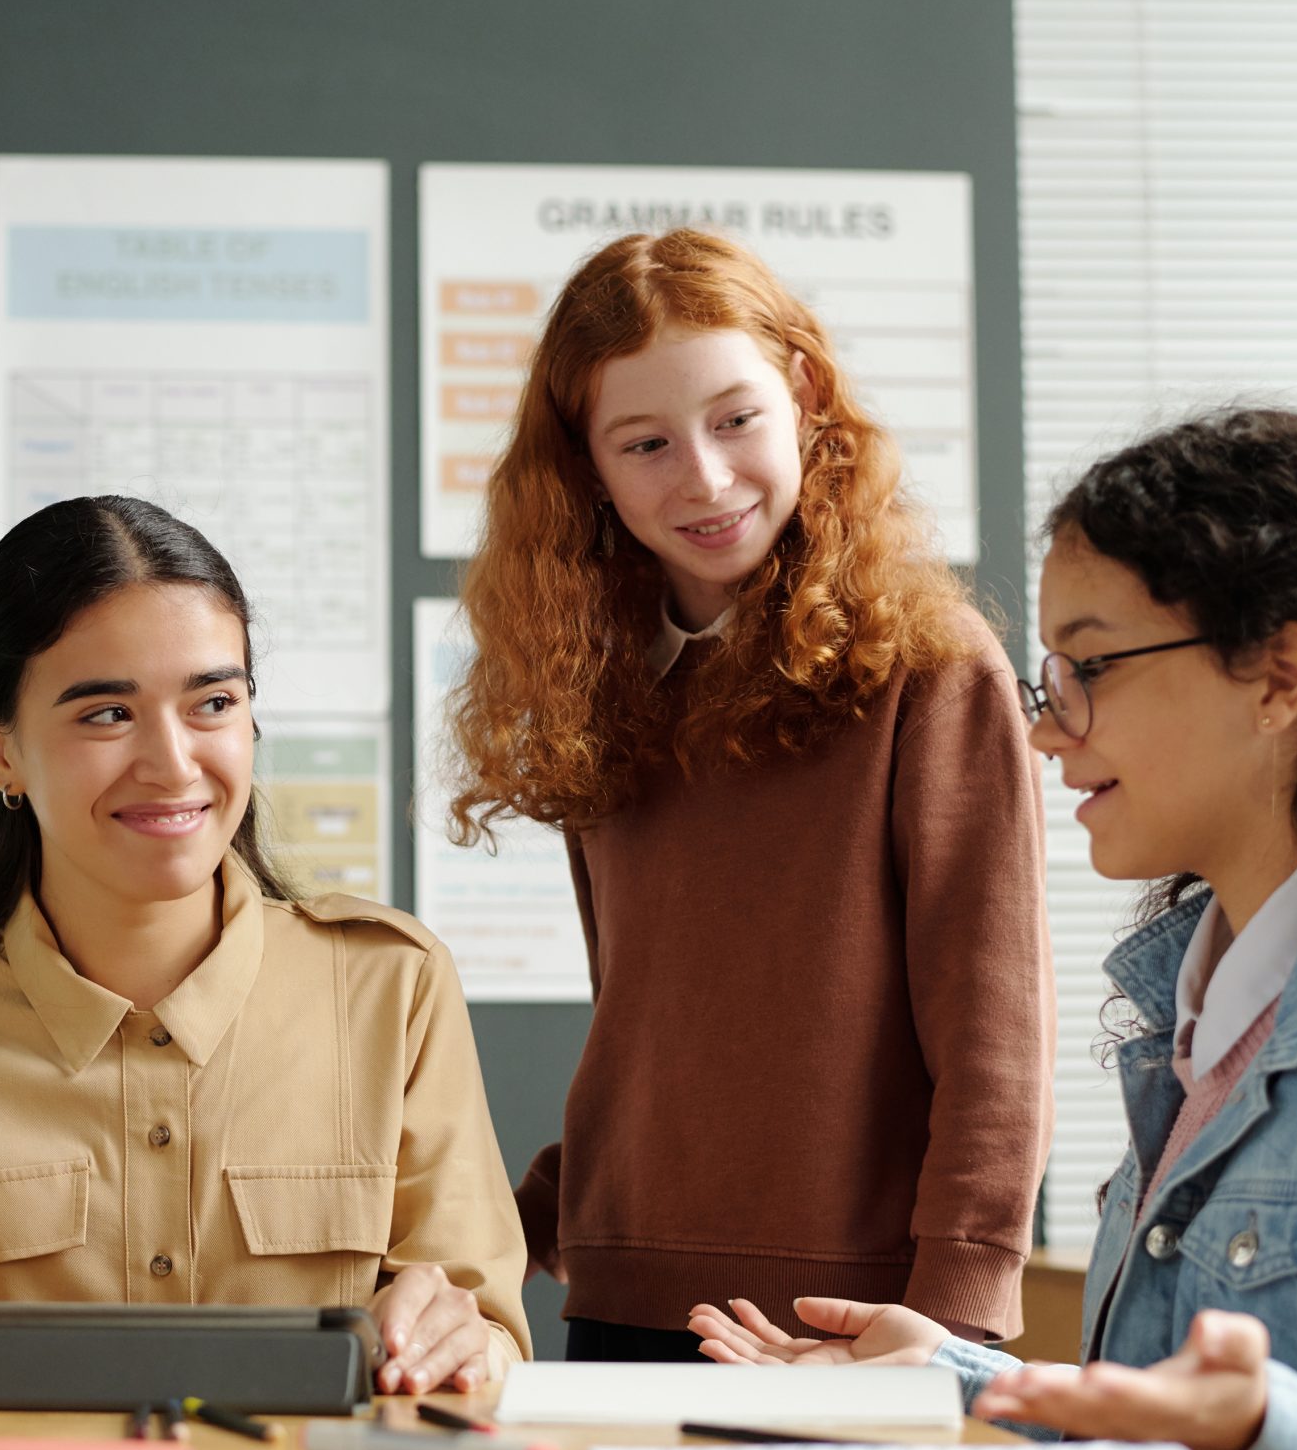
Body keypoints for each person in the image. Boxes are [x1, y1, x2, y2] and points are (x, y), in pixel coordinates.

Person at [693, 409, 1297, 1450]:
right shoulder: (1201, 1004)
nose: (1042, 725)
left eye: (1091, 668)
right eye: (1047, 675)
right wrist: (959, 1380)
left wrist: (1264, 1437)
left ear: (1278, 675)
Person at [0, 496, 529, 1394]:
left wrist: (462, 1338)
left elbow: (482, 1325)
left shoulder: (391, 987)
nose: (172, 763)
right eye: (106, 715)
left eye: (213, 701)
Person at [448, 228, 1050, 1361]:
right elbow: (663, 1025)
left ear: (805, 396)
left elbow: (994, 1033)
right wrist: (517, 1220)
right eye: (645, 443)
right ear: (584, 465)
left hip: (855, 1320)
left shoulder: (928, 664)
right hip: (622, 1301)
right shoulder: (596, 685)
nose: (706, 477)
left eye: (735, 418)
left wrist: (954, 1316)